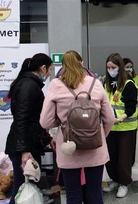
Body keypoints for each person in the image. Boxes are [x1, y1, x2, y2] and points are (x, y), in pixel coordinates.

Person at [39, 50, 114, 204]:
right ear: (82, 64)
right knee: (94, 193)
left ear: (63, 66)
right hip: (95, 148)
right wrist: (99, 135)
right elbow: (110, 118)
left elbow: (45, 122)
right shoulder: (96, 83)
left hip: (68, 148)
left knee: (73, 195)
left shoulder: (56, 85)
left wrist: (62, 124)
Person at [4, 53, 54, 204]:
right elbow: (22, 119)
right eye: (50, 69)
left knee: (27, 190)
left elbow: (33, 121)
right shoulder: (29, 85)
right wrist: (24, 151)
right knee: (22, 191)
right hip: (24, 148)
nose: (49, 74)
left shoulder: (27, 83)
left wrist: (48, 138)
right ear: (43, 68)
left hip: (27, 144)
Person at [101, 53, 138, 198]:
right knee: (111, 157)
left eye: (113, 67)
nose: (111, 70)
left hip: (126, 128)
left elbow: (131, 107)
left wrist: (121, 118)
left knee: (124, 158)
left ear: (120, 67)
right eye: (108, 67)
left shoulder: (128, 84)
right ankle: (115, 180)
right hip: (110, 128)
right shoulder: (106, 83)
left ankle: (124, 183)